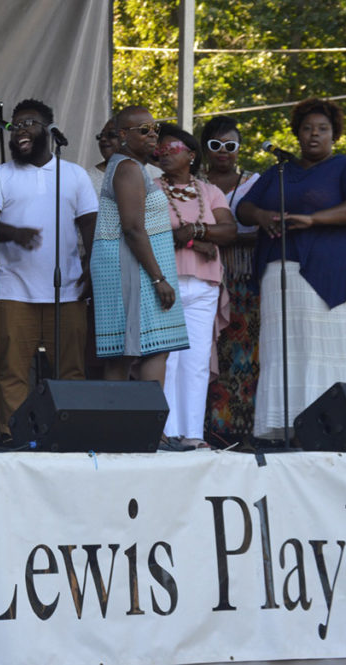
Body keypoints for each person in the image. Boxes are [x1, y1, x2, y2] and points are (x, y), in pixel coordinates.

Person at [237, 97, 346, 439]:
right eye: (306, 128)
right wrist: (262, 217)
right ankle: (290, 426)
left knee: (336, 350)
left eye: (322, 129)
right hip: (283, 278)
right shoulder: (279, 172)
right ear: (296, 133)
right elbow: (245, 207)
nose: (314, 135)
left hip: (338, 274)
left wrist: (313, 219)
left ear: (335, 134)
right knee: (291, 353)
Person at [0, 98, 98, 435]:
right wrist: (14, 233)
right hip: (14, 289)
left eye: (28, 123)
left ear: (49, 131)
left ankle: (71, 433)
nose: (19, 131)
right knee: (12, 370)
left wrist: (93, 268)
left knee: (71, 371)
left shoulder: (73, 174)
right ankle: (13, 435)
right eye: (15, 126)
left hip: (68, 289)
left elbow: (91, 224)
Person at [90, 106, 188, 396]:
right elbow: (133, 228)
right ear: (123, 135)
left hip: (137, 268)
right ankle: (141, 430)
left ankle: (138, 430)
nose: (152, 135)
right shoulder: (128, 169)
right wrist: (159, 279)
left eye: (154, 129)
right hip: (132, 268)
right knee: (142, 351)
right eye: (143, 130)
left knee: (144, 350)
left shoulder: (131, 167)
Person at [154, 124, 236, 449]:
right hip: (166, 284)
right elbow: (152, 232)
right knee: (168, 360)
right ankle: (168, 433)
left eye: (171, 149)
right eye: (160, 150)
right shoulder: (152, 188)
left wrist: (193, 233)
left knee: (198, 360)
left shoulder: (210, 191)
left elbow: (228, 231)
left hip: (204, 285)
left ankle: (193, 435)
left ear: (190, 155)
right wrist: (196, 240)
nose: (163, 154)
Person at [198, 116, 261, 441]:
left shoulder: (256, 182)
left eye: (230, 146)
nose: (223, 151)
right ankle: (201, 427)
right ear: (204, 147)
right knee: (202, 351)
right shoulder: (191, 181)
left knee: (242, 356)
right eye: (215, 145)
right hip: (200, 277)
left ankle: (238, 429)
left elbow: (265, 230)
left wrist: (225, 238)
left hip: (243, 280)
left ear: (239, 149)